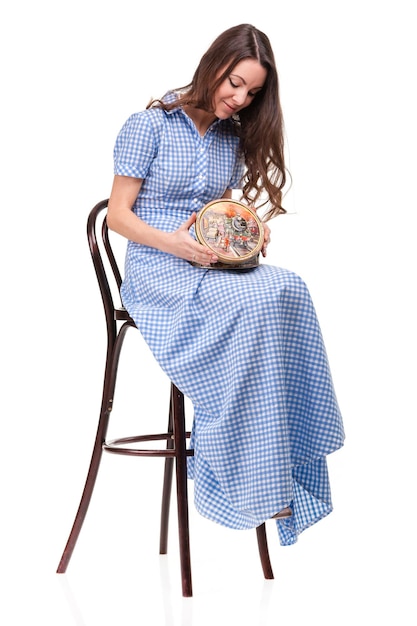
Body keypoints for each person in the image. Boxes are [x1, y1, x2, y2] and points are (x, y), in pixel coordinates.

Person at [107, 23, 345, 546]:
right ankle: (242, 459)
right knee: (259, 298)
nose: (239, 99)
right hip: (158, 272)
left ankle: (281, 451)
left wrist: (245, 237)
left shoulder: (230, 138)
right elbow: (117, 218)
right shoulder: (148, 126)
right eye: (234, 83)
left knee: (289, 288)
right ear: (213, 65)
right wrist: (174, 244)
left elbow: (223, 212)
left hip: (209, 267)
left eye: (252, 93)